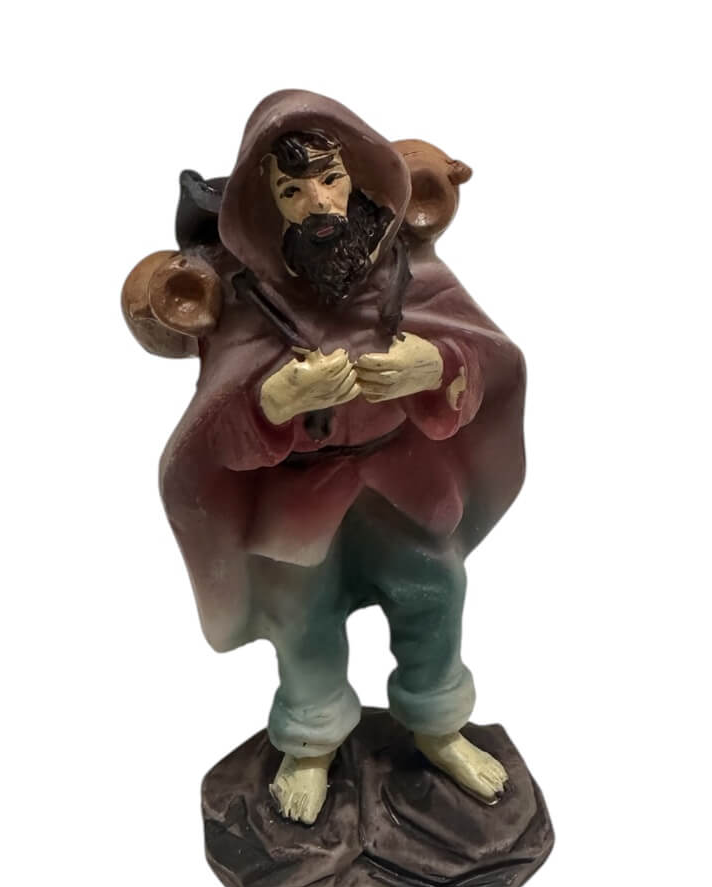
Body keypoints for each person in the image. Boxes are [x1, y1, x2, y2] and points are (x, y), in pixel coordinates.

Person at [155, 91, 527, 824]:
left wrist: (435, 366)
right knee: (302, 618)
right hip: (300, 497)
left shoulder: (409, 271)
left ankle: (439, 723)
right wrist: (273, 402)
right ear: (265, 206)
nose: (319, 203)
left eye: (330, 179)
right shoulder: (246, 298)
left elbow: (486, 359)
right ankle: (312, 738)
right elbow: (212, 430)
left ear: (358, 175)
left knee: (434, 589)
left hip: (402, 481)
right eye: (292, 191)